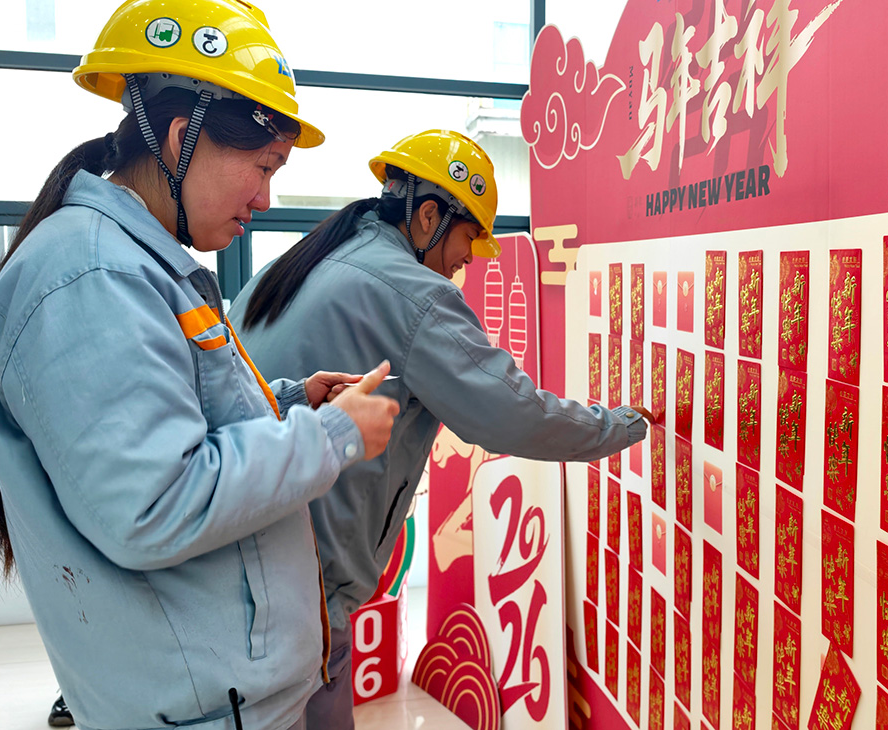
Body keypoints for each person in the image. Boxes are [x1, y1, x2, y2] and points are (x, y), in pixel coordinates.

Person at [0, 1, 399, 728]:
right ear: (183, 138)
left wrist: (292, 403)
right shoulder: (94, 274)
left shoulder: (138, 265)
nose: (265, 199)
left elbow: (177, 420)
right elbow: (153, 504)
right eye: (263, 167)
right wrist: (332, 436)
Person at [231, 129, 654, 728]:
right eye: (468, 237)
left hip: (246, 564)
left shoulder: (302, 261)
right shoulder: (413, 293)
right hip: (304, 585)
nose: (468, 259)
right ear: (429, 215)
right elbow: (513, 414)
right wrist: (622, 425)